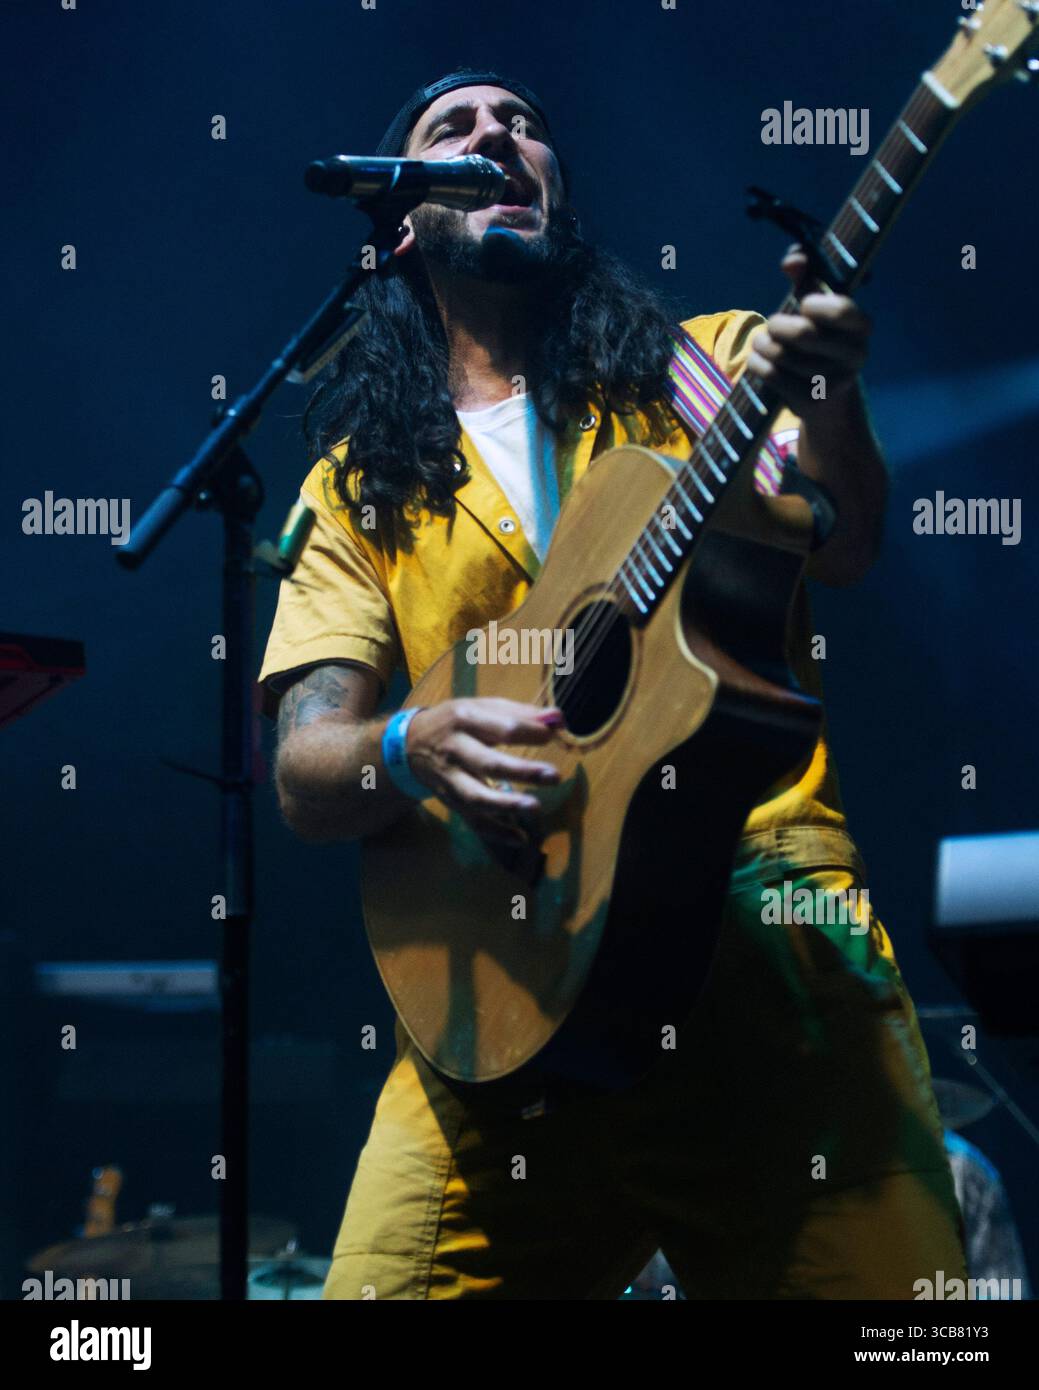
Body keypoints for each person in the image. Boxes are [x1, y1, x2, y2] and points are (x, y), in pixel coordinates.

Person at [259, 68, 967, 1299]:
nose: (498, 136)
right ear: (404, 218)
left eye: (524, 124)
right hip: (500, 993)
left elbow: (843, 541)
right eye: (455, 129)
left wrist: (831, 390)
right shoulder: (355, 484)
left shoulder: (711, 372)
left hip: (769, 962)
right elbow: (305, 770)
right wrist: (411, 742)